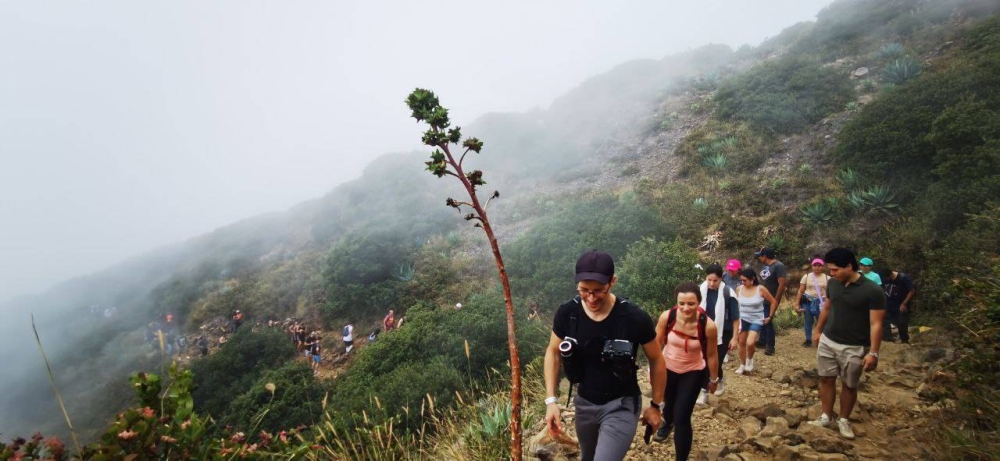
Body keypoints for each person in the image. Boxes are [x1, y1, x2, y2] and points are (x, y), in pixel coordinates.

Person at [544, 250, 666, 461]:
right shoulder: (568, 314)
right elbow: (553, 352)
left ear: (612, 282)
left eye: (598, 291)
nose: (591, 298)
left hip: (622, 404)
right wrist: (551, 400)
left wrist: (656, 405)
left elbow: (656, 358)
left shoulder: (634, 318)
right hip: (584, 403)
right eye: (584, 290)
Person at [810, 248, 886, 440]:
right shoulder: (834, 284)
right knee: (826, 378)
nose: (831, 274)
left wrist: (874, 353)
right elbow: (827, 307)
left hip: (854, 345)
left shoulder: (872, 290)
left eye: (835, 270)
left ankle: (843, 419)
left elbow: (876, 323)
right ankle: (826, 415)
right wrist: (818, 330)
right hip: (829, 339)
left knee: (849, 384)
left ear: (849, 266)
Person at [652, 283, 720, 460]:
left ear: (699, 302)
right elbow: (656, 344)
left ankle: (681, 458)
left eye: (691, 303)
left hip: (693, 372)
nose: (685, 308)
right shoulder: (667, 317)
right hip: (668, 369)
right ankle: (667, 423)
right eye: (681, 303)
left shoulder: (708, 325)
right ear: (676, 302)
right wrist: (653, 369)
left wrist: (713, 379)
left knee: (682, 416)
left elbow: (712, 354)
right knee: (669, 405)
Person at [698, 264, 739, 399]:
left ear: (721, 279)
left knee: (716, 360)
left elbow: (735, 317)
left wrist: (735, 338)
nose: (711, 283)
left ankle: (707, 389)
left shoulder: (728, 293)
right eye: (709, 279)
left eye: (715, 280)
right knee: (704, 360)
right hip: (703, 331)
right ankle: (712, 383)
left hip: (722, 333)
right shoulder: (700, 291)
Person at [735, 269, 778, 375]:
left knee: (750, 343)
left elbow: (773, 302)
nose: (743, 283)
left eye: (745, 280)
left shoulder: (761, 289)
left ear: (752, 279)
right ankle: (742, 364)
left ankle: (749, 359)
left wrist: (770, 316)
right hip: (742, 319)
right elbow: (736, 304)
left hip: (756, 319)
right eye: (741, 280)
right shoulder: (739, 289)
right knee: (741, 343)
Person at [755, 247, 788, 355]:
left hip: (771, 299)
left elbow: (782, 284)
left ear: (765, 256)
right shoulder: (766, 266)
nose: (759, 258)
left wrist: (776, 300)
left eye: (760, 255)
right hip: (761, 299)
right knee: (762, 319)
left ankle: (770, 346)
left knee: (768, 321)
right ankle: (762, 340)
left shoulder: (779, 266)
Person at [796, 258, 830, 347]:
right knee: (808, 321)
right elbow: (800, 290)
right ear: (812, 266)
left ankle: (821, 339)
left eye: (819, 266)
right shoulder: (807, 276)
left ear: (823, 267)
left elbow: (830, 292)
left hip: (821, 302)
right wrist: (796, 304)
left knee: (821, 321)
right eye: (815, 266)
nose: (817, 268)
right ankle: (808, 339)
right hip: (808, 301)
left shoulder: (827, 278)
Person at [881, 268, 915, 343]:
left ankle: (904, 340)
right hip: (888, 304)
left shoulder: (903, 278)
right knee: (885, 321)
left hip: (901, 305)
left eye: (888, 277)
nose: (887, 279)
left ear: (891, 274)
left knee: (901, 323)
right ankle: (888, 340)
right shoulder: (885, 278)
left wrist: (904, 303)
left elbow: (912, 291)